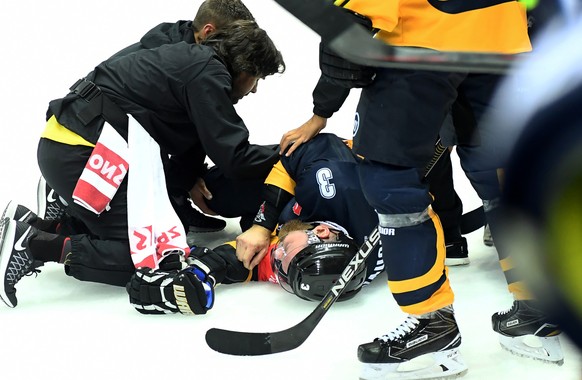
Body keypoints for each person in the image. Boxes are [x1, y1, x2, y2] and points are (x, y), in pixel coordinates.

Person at [307, 2, 561, 379]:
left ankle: (432, 327)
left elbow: (351, 25)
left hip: (424, 36)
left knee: (388, 176)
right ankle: (539, 308)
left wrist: (348, 15)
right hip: (503, 35)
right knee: (501, 173)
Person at [0, 19, 285, 309]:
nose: (254, 90)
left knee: (153, 231)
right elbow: (234, 156)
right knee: (154, 253)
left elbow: (194, 139)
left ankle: (38, 225)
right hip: (83, 153)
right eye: (257, 78)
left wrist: (188, 181)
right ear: (244, 64)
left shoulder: (187, 59)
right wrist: (292, 152)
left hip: (68, 143)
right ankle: (32, 245)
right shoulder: (207, 72)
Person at [35, 0, 276, 235]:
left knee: (168, 225)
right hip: (92, 142)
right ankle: (65, 202)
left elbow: (197, 129)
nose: (238, 43)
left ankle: (168, 204)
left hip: (101, 136)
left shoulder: (192, 58)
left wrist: (188, 178)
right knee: (157, 244)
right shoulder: (190, 62)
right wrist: (295, 152)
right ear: (209, 32)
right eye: (233, 37)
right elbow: (212, 140)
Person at [277, 26, 472, 267]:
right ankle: (452, 232)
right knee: (416, 149)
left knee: (480, 155)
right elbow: (347, 35)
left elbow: (345, 34)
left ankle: (488, 222)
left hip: (475, 58)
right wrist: (321, 111)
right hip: (437, 62)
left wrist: (321, 113)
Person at [126, 133, 384, 315]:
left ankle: (253, 219)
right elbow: (295, 156)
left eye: (279, 261)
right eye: (283, 251)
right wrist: (263, 225)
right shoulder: (335, 181)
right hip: (315, 166)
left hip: (305, 213)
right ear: (321, 231)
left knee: (255, 233)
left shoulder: (308, 262)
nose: (275, 252)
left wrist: (198, 275)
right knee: (215, 192)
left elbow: (247, 261)